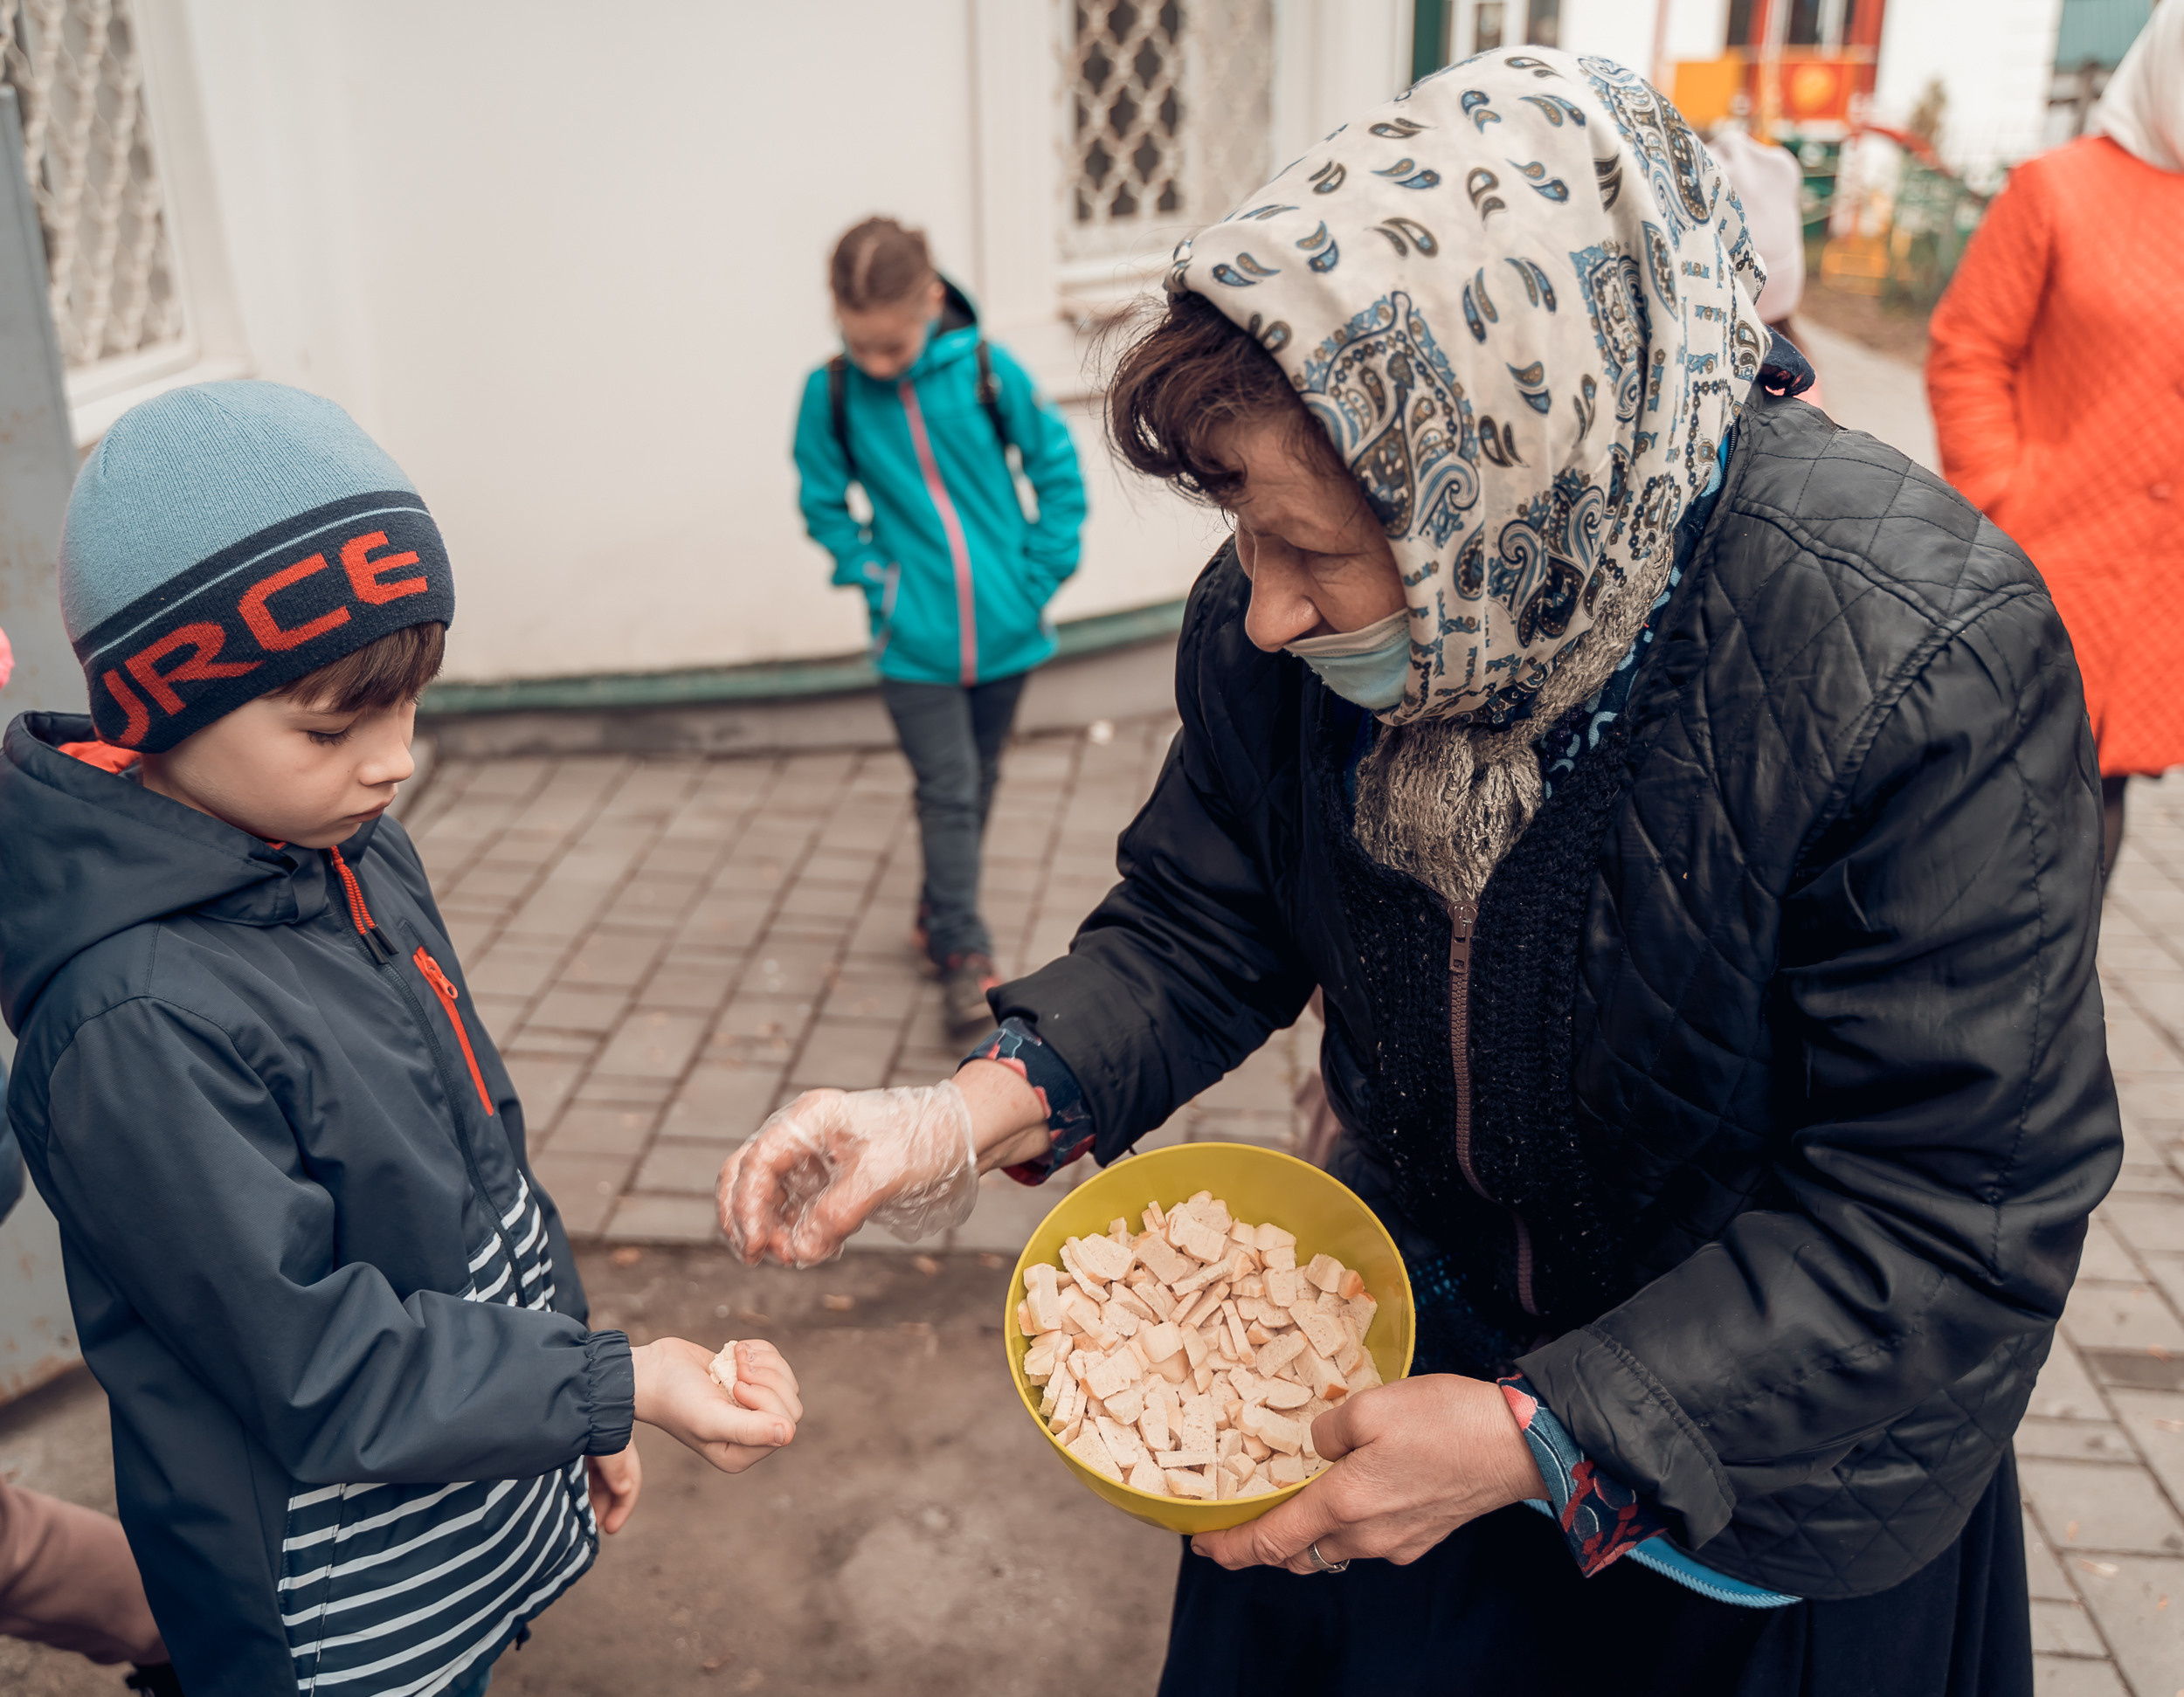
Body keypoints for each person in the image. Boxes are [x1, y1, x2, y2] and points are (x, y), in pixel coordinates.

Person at [722, 50, 2118, 1696]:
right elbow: (1201, 910)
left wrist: (1543, 1435)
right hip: (1412, 1359)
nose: (1263, 609)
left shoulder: (1914, 667)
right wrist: (953, 1112)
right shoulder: (1299, 627)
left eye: (1316, 549)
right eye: (1247, 526)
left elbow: (1948, 1208)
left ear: (1508, 488)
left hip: (1753, 1489)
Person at [0, 383, 804, 1695]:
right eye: (332, 724)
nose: (395, 760)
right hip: (333, 1609)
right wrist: (611, 1381)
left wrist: (576, 1397)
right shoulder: (132, 1022)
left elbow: (485, 1153)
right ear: (156, 705)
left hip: (462, 1487)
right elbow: (312, 1361)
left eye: (410, 702)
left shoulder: (350, 851)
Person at [794, 217, 1089, 1034]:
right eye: (862, 345)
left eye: (894, 345)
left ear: (931, 300)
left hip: (1006, 632)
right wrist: (876, 579)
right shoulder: (834, 394)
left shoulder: (989, 371)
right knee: (951, 788)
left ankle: (937, 909)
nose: (879, 364)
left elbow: (1058, 471)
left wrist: (1038, 575)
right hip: (913, 645)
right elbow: (822, 501)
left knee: (979, 779)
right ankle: (963, 948)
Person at [1928, 0, 2184, 884]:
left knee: (2101, 806)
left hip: (2160, 585)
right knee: (1999, 797)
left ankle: (2053, 1015)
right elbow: (1967, 348)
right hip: (2048, 553)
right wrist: (2001, 494)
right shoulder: (2055, 188)